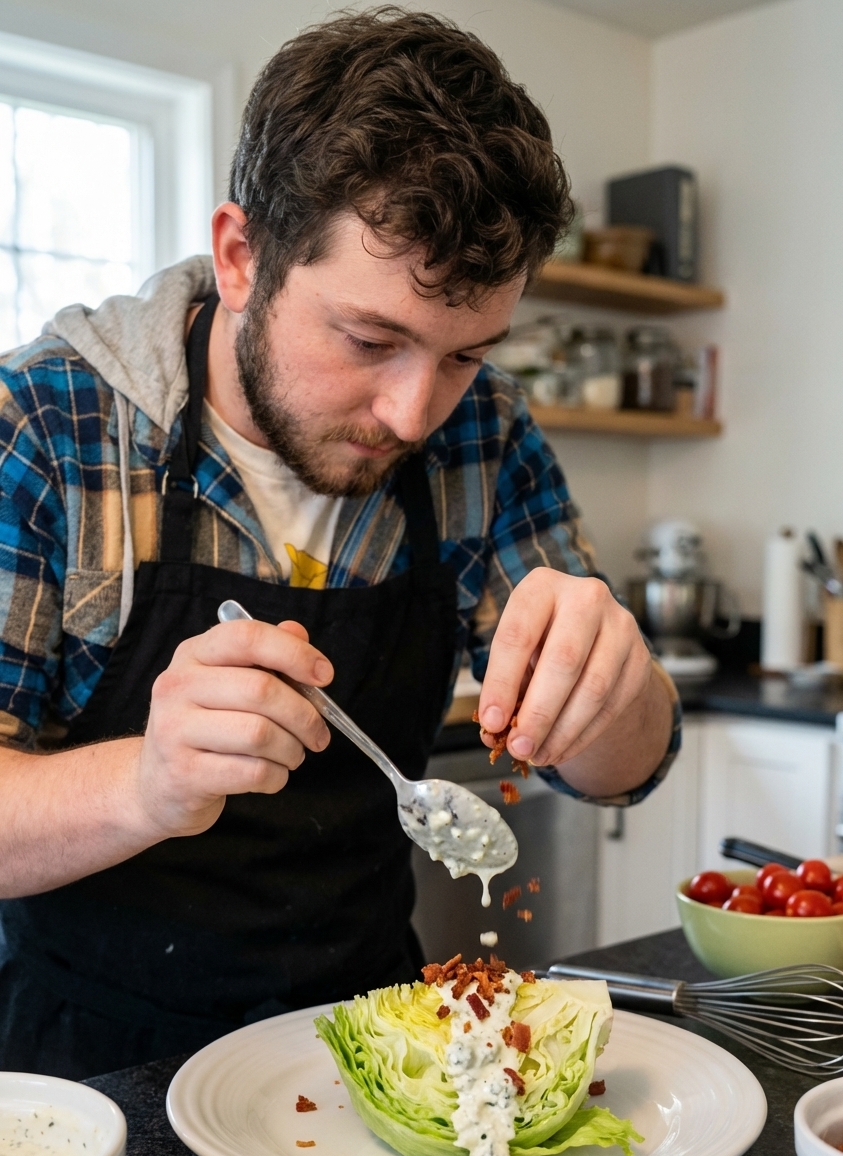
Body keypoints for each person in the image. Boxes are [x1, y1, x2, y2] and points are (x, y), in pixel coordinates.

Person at [0, 8, 679, 1079]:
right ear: (240, 255)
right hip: (88, 1069)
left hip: (373, 1049)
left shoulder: (483, 434)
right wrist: (146, 785)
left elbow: (625, 768)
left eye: (464, 354)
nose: (415, 414)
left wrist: (615, 684)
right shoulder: (47, 426)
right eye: (370, 340)